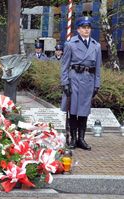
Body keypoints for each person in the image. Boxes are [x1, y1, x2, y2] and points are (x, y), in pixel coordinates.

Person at [60, 16, 101, 150]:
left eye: (88, 27)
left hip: (88, 80)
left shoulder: (96, 45)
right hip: (74, 80)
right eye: (83, 27)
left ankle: (81, 139)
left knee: (84, 111)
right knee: (73, 110)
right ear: (78, 29)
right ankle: (72, 139)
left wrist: (97, 84)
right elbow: (64, 66)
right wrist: (65, 83)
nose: (86, 30)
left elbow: (98, 68)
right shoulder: (70, 44)